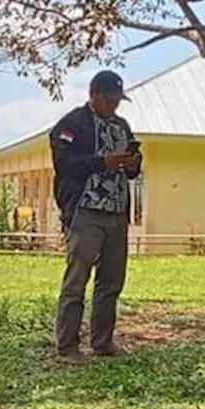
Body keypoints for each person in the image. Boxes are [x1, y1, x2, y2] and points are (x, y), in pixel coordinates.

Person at [49, 70, 142, 365]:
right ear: (94, 94)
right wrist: (102, 162)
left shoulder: (122, 126)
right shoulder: (73, 124)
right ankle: (67, 345)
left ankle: (102, 341)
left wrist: (132, 164)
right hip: (86, 211)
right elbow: (64, 162)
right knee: (77, 280)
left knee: (111, 281)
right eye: (110, 99)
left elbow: (131, 171)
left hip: (116, 212)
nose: (115, 105)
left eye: (118, 100)